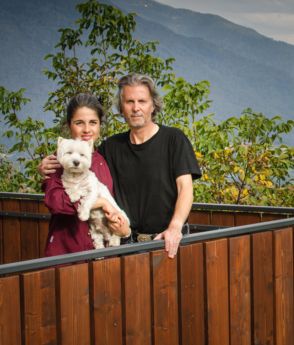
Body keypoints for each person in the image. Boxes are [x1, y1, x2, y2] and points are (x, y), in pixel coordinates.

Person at [39, 74, 202, 258]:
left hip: (168, 241)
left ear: (153, 105)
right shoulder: (110, 148)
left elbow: (185, 187)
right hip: (126, 245)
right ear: (121, 107)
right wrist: (45, 166)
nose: (136, 108)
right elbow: (78, 160)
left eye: (142, 101)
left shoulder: (174, 139)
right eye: (129, 101)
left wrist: (175, 227)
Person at [42, 93, 131, 257]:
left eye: (93, 123)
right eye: (79, 123)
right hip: (68, 252)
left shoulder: (104, 159)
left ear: (99, 126)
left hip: (103, 252)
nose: (87, 129)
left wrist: (123, 230)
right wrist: (101, 202)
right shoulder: (57, 162)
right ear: (68, 126)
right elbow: (54, 202)